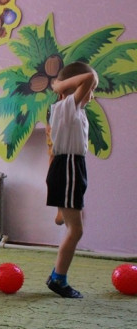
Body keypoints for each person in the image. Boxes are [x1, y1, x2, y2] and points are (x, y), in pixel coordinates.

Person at [45, 62, 98, 299]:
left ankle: (58, 276)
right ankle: (58, 279)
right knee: (76, 230)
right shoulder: (65, 106)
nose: (91, 94)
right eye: (88, 91)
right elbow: (89, 78)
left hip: (73, 167)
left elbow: (88, 81)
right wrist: (59, 85)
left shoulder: (75, 110)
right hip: (68, 167)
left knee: (74, 227)